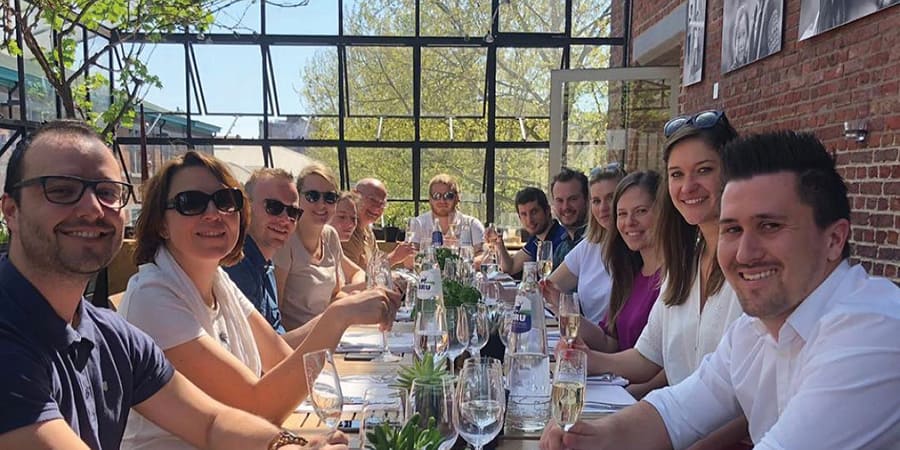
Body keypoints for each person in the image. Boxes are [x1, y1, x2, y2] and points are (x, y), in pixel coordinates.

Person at [540, 131, 900, 449]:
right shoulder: (758, 328)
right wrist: (591, 437)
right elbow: (679, 410)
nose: (745, 253)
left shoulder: (871, 331)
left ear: (834, 239)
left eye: (770, 226)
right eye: (731, 230)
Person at [0, 120, 345, 449]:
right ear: (10, 210)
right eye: (62, 190)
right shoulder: (11, 337)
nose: (92, 208)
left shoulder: (111, 336)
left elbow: (212, 423)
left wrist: (286, 446)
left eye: (106, 192)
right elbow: (250, 407)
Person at [119, 151, 396, 449]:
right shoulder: (152, 298)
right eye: (191, 203)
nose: (214, 213)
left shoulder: (219, 279)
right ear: (161, 223)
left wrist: (293, 442)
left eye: (227, 201)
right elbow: (256, 407)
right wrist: (339, 315)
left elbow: (283, 360)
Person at [557, 111, 748, 446]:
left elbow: (751, 405)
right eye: (677, 174)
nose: (688, 186)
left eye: (704, 170)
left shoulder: (754, 269)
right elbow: (646, 357)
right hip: (672, 430)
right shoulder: (682, 265)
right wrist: (584, 359)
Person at [573, 170, 663, 353]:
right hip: (617, 379)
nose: (629, 222)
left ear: (663, 213)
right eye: (622, 214)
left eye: (641, 211)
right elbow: (609, 342)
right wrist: (563, 311)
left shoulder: (672, 278)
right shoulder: (629, 273)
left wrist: (595, 363)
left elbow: (662, 365)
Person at [274, 163, 360, 329]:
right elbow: (277, 312)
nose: (322, 204)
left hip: (328, 334)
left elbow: (335, 294)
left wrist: (354, 301)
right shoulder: (286, 240)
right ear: (297, 199)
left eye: (329, 198)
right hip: (297, 340)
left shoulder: (331, 236)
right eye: (313, 196)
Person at [542, 164, 624, 324]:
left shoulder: (638, 250)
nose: (603, 208)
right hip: (589, 341)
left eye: (610, 198)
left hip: (609, 346)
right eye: (596, 201)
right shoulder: (590, 245)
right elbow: (545, 290)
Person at [224, 168, 300, 334]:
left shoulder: (267, 266)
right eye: (274, 207)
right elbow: (264, 352)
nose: (285, 219)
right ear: (247, 208)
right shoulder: (236, 267)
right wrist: (336, 317)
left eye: (293, 212)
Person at [486, 187, 568, 276]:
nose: (529, 220)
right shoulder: (536, 239)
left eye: (534, 212)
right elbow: (511, 268)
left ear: (547, 210)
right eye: (524, 214)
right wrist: (499, 244)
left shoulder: (562, 239)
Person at [342, 178, 414, 269]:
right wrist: (394, 257)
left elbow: (376, 264)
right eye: (373, 200)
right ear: (354, 195)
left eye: (382, 204)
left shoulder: (367, 230)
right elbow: (355, 278)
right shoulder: (344, 233)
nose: (377, 208)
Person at [412, 173, 485, 252]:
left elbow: (483, 256)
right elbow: (408, 258)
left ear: (457, 198)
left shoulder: (472, 224)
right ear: (429, 199)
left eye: (448, 196)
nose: (442, 200)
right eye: (436, 195)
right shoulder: (418, 224)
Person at [548, 167, 589, 268]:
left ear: (587, 200)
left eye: (573, 199)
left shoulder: (595, 242)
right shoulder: (562, 247)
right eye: (560, 200)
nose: (566, 207)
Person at [329, 191, 367, 285]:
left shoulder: (331, 244)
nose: (350, 224)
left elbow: (357, 272)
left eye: (354, 218)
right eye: (342, 217)